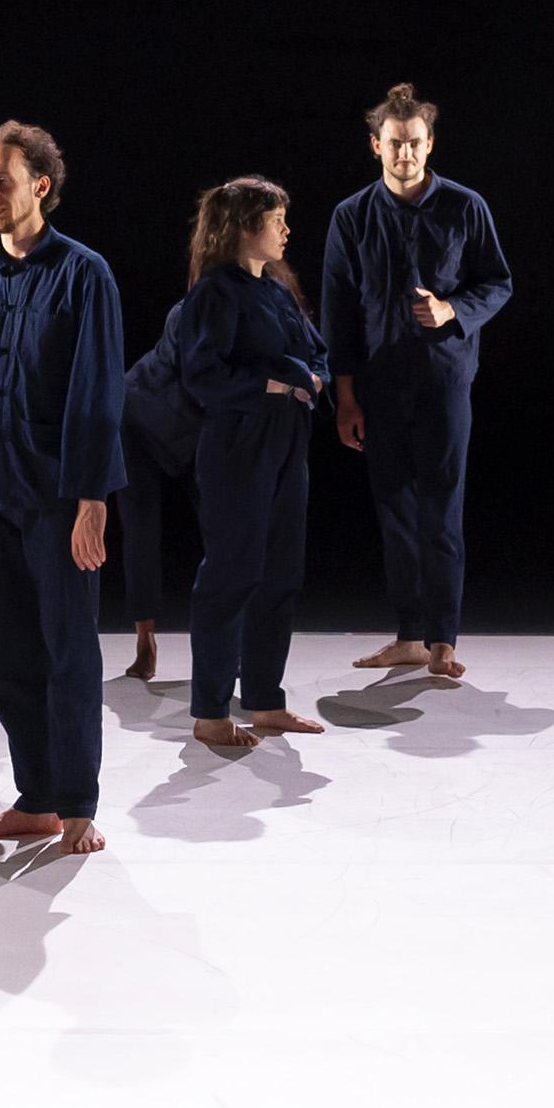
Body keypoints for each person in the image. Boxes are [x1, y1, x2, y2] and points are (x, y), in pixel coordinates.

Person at [0, 121, 129, 852]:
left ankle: (76, 804)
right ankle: (37, 795)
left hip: (58, 494)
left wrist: (91, 501)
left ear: (39, 186)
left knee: (67, 649)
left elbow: (97, 392)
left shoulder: (84, 273)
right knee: (9, 654)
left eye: (2, 180)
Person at [322, 81, 514, 679]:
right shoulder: (351, 216)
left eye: (414, 143)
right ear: (375, 145)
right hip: (379, 386)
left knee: (442, 508)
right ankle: (409, 634)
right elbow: (338, 311)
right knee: (395, 510)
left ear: (429, 144)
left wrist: (452, 308)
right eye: (394, 144)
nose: (404, 153)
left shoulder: (466, 206)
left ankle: (443, 639)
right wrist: (344, 397)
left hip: (444, 380)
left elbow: (498, 282)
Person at [175, 176, 328, 751]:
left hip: (287, 437)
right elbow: (202, 375)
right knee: (232, 572)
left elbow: (315, 351)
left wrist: (312, 377)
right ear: (244, 227)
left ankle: (265, 699)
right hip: (239, 443)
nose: (286, 230)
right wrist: (273, 380)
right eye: (275, 220)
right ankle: (210, 711)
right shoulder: (215, 293)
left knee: (280, 571)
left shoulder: (277, 289)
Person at [111, 287, 202, 683]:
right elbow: (202, 378)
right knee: (141, 531)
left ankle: (225, 640)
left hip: (194, 432)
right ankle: (144, 641)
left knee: (223, 531)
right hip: (138, 420)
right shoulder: (188, 312)